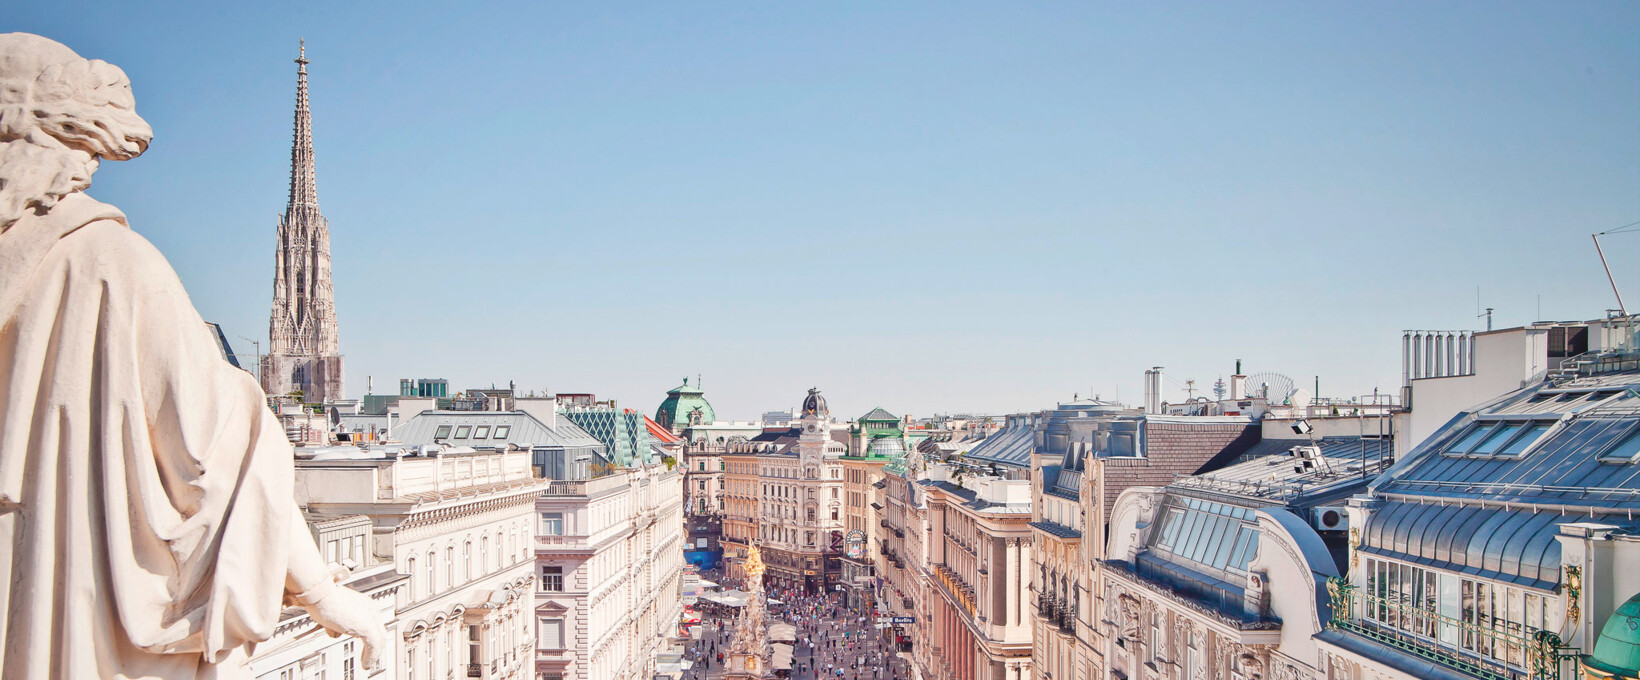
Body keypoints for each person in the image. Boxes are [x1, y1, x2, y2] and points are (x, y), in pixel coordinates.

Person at [0, 33, 386, 679]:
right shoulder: (108, 265)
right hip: (67, 603)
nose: (91, 170)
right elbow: (219, 450)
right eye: (86, 154)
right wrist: (318, 589)